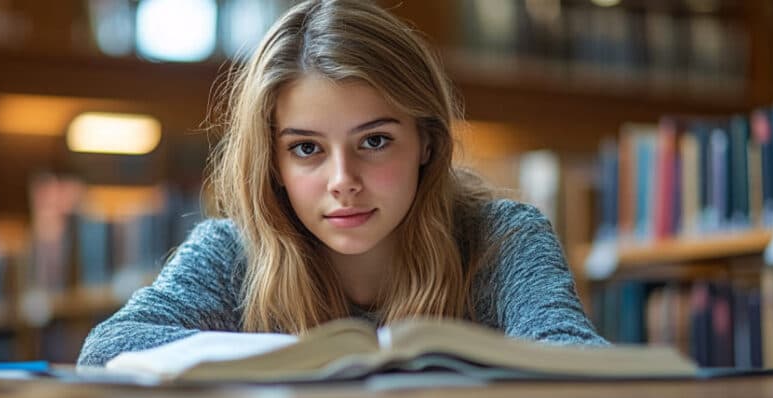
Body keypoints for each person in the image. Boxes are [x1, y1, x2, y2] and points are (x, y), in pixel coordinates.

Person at [77, 0, 606, 367]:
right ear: (273, 163)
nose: (343, 182)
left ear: (426, 140)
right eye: (306, 149)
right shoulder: (232, 250)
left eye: (374, 141)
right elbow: (111, 347)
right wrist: (309, 360)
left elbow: (575, 358)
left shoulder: (501, 237)